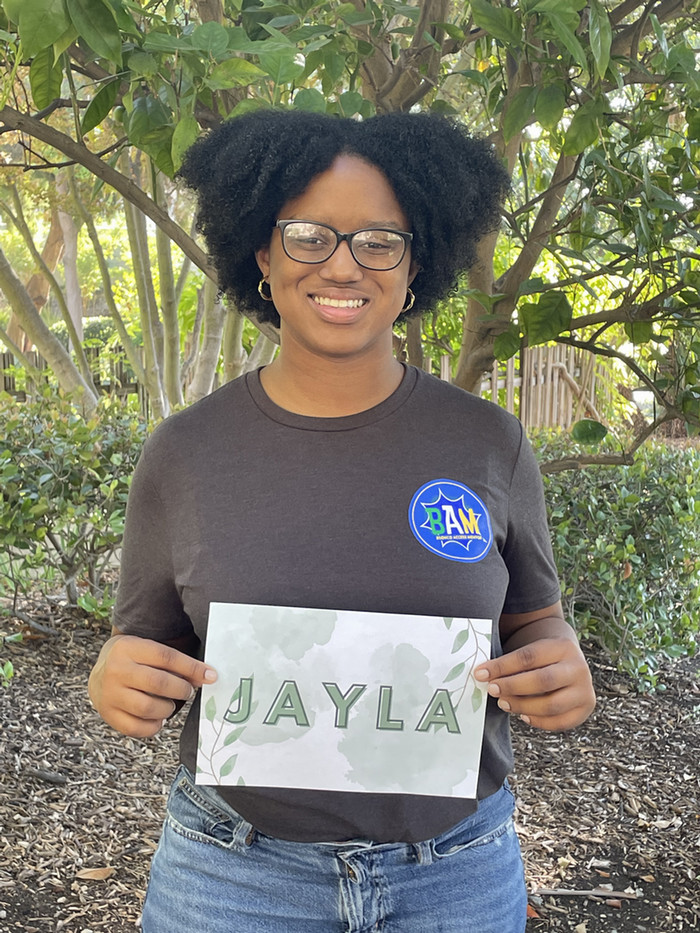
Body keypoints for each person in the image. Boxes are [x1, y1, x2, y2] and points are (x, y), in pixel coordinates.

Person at [88, 110, 596, 933]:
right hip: (232, 879)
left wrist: (560, 665)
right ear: (261, 250)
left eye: (378, 240)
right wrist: (117, 675)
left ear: (414, 261)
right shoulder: (185, 451)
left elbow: (536, 619)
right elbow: (145, 639)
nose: (343, 264)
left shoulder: (487, 442)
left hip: (454, 878)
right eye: (309, 235)